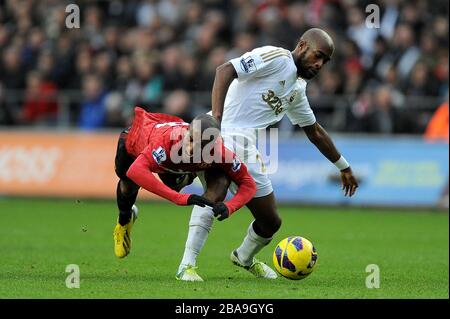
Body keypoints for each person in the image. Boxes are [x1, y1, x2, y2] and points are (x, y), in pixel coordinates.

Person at [177, 28, 359, 281]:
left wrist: (344, 167)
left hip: (246, 148)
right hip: (221, 133)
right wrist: (216, 120)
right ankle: (186, 264)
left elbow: (315, 131)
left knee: (270, 222)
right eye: (318, 56)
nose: (319, 64)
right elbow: (224, 70)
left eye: (325, 61)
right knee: (215, 191)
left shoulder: (297, 89)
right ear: (303, 45)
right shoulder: (276, 58)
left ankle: (243, 257)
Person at [113, 106, 256, 281]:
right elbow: (136, 171)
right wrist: (180, 199)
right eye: (191, 139)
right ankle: (124, 221)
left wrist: (230, 206)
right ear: (187, 131)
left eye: (201, 145)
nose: (192, 147)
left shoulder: (219, 152)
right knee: (129, 187)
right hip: (133, 141)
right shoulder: (166, 142)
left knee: (176, 184)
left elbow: (248, 183)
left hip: (170, 163)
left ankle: (184, 175)